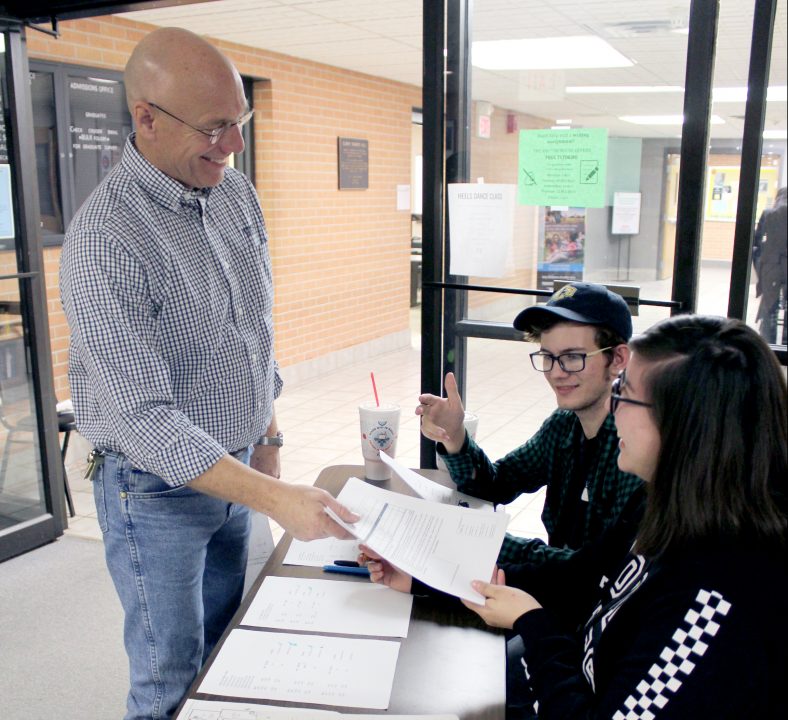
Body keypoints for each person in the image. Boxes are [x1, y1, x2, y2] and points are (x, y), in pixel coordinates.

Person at [59, 28, 357, 720]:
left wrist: (270, 445)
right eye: (218, 127)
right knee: (170, 678)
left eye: (240, 123)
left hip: (241, 469)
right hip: (153, 493)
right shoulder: (105, 239)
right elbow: (143, 418)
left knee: (236, 647)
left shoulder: (233, 196)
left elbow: (253, 332)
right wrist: (275, 499)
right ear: (146, 118)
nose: (236, 145)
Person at [369, 315, 788, 718]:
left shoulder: (716, 592)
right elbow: (577, 581)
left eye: (625, 393)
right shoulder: (661, 502)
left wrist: (530, 622)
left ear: (687, 424)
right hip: (565, 667)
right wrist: (423, 578)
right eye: (547, 357)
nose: (615, 408)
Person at [417, 282, 644, 567]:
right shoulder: (563, 426)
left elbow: (599, 568)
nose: (557, 373)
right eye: (548, 357)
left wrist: (489, 540)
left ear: (618, 359)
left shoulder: (638, 449)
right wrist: (455, 436)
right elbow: (497, 485)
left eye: (573, 357)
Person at [752, 187, 787, 345]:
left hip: (771, 267)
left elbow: (756, 243)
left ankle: (769, 345)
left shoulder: (768, 214)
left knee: (769, 307)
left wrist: (760, 265)